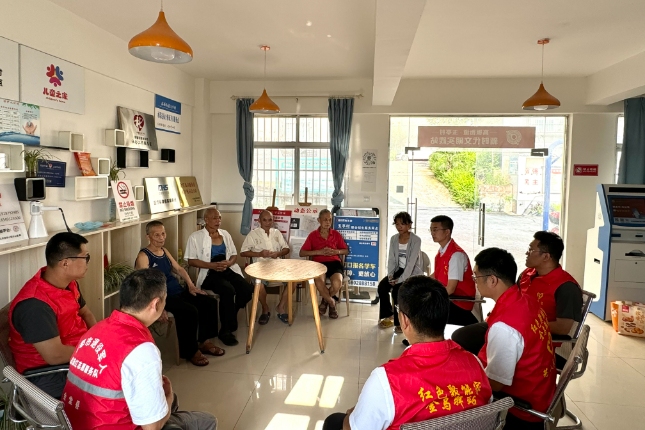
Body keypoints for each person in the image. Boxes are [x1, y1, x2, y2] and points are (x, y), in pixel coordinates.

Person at [322, 276, 492, 430]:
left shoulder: (387, 381)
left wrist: (354, 414)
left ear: (404, 320)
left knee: (334, 421)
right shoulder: (475, 364)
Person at [62, 269, 217, 430]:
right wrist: (169, 398)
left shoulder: (96, 329)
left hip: (76, 423)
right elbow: (152, 427)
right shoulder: (141, 349)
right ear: (156, 304)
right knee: (206, 421)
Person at [471, 248, 556, 430]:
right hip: (541, 390)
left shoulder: (505, 327)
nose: (474, 282)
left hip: (521, 410)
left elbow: (495, 384)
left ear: (492, 280)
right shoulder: (527, 300)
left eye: (476, 277)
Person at [9, 232, 97, 399]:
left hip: (76, 355)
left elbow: (86, 313)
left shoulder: (70, 284)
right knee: (118, 387)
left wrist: (99, 341)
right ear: (65, 263)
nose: (87, 262)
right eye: (85, 257)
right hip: (49, 373)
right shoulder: (34, 305)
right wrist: (93, 353)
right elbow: (55, 356)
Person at [135, 221, 224, 366]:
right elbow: (144, 284)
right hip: (163, 297)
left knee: (209, 302)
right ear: (148, 237)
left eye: (163, 234)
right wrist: (157, 306)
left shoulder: (164, 251)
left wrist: (191, 286)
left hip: (178, 291)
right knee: (189, 311)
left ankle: (204, 342)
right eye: (156, 235)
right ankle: (191, 352)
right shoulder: (144, 256)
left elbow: (179, 269)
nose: (161, 237)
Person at [186, 208, 253, 346]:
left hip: (227, 268)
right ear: (206, 220)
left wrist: (229, 263)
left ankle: (231, 315)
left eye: (219, 218)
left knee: (246, 289)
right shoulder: (195, 237)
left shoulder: (225, 234)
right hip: (209, 272)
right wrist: (211, 265)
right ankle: (225, 331)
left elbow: (234, 254)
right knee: (228, 290)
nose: (218, 221)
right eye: (215, 218)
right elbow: (191, 261)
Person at [520, 231, 582, 367]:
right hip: (518, 334)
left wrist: (522, 324)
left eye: (531, 250)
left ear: (546, 256)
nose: (526, 253)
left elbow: (562, 328)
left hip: (542, 343)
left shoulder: (566, 287)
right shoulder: (527, 274)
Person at [240, 210, 291, 324]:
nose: (267, 223)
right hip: (260, 266)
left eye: (270, 220)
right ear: (259, 221)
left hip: (277, 265)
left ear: (273, 221)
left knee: (293, 281)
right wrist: (259, 254)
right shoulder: (253, 234)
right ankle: (265, 308)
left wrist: (278, 253)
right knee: (259, 284)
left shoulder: (276, 233)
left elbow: (286, 249)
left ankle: (280, 307)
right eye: (264, 220)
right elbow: (243, 252)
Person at [428, 215, 478, 326]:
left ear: (447, 232)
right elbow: (437, 274)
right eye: (431, 230)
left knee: (426, 306)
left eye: (435, 230)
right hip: (449, 299)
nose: (432, 233)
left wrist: (431, 297)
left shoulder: (456, 255)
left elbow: (450, 289)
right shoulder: (442, 251)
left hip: (459, 302)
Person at [377, 212, 423, 333]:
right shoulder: (394, 239)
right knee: (382, 287)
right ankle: (389, 315)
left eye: (402, 224)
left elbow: (411, 264)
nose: (399, 227)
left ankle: (400, 323)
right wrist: (391, 276)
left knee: (397, 290)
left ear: (409, 225)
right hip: (399, 270)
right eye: (397, 224)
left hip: (412, 272)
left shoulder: (416, 240)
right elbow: (391, 259)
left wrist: (400, 280)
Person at [299, 209, 349, 319]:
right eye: (325, 220)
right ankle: (331, 302)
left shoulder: (336, 234)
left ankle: (324, 301)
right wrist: (319, 252)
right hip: (319, 264)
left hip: (335, 263)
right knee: (319, 281)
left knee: (337, 283)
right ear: (319, 220)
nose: (328, 222)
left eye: (330, 220)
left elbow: (346, 251)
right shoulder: (313, 235)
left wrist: (336, 251)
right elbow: (302, 253)